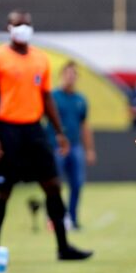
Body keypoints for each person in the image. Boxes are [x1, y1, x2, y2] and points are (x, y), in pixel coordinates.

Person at [0, 10, 93, 270]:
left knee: (53, 185)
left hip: (34, 130)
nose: (23, 28)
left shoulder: (40, 59)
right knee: (1, 191)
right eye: (17, 24)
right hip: (6, 129)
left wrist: (59, 132)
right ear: (9, 28)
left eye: (27, 24)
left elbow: (46, 99)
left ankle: (63, 246)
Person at [46, 60, 96, 230]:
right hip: (56, 146)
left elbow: (84, 125)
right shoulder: (52, 96)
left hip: (75, 146)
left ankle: (72, 219)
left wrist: (89, 149)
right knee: (54, 184)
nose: (70, 77)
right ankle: (54, 218)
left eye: (74, 74)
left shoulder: (80, 100)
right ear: (61, 75)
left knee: (77, 183)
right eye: (68, 73)